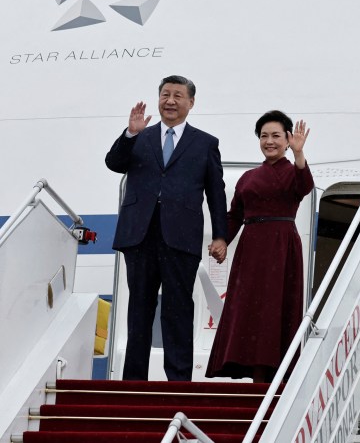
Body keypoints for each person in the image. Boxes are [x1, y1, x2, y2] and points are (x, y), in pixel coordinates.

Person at [105, 75, 228, 382]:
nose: (170, 101)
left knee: (177, 310)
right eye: (165, 94)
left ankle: (178, 382)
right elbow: (114, 163)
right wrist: (130, 134)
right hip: (140, 235)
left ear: (191, 103)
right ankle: (133, 381)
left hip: (181, 237)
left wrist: (221, 235)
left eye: (177, 95)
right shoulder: (140, 136)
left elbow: (216, 192)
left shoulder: (205, 143)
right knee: (139, 310)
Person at [206, 110, 313, 382]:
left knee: (276, 308)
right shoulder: (248, 177)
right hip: (251, 249)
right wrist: (222, 241)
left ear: (288, 140)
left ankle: (272, 371)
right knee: (247, 308)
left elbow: (305, 186)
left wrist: (300, 155)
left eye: (276, 136)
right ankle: (245, 365)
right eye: (264, 136)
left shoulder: (293, 171)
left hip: (281, 247)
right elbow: (234, 215)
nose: (269, 141)